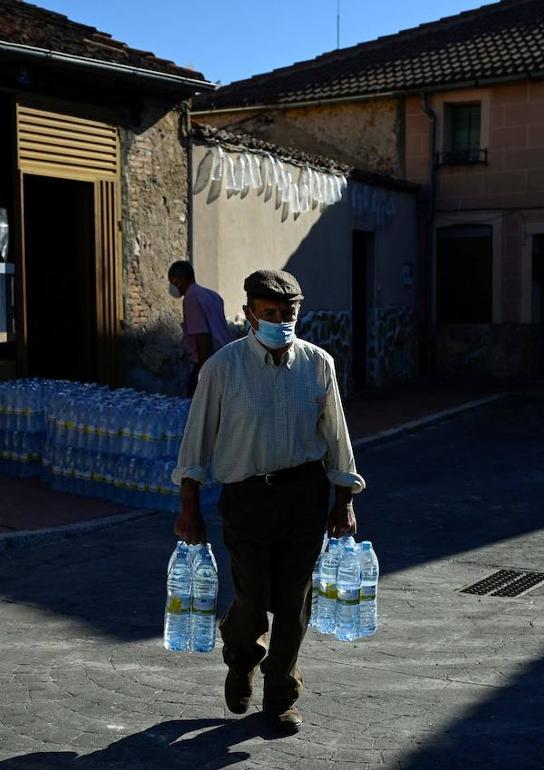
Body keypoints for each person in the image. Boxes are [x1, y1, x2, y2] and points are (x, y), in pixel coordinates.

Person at [171, 268, 366, 735]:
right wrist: (188, 506)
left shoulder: (318, 364)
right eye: (270, 313)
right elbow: (196, 443)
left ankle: (281, 695)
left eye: (288, 313)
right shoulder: (221, 368)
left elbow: (336, 435)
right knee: (253, 599)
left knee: (295, 602)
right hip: (246, 499)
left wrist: (345, 499)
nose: (280, 321)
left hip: (304, 496)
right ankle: (241, 662)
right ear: (249, 315)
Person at [168, 261, 234, 396]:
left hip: (210, 362)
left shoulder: (191, 298)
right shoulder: (212, 295)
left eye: (173, 281)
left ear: (181, 279)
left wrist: (201, 371)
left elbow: (202, 337)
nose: (172, 286)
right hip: (227, 357)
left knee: (196, 407)